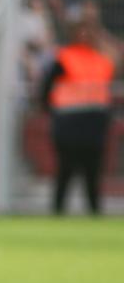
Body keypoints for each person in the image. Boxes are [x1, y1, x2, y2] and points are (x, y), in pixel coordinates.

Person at [40, 13, 116, 215]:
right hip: (68, 125)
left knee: (93, 174)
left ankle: (94, 214)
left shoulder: (102, 59)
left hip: (94, 125)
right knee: (66, 172)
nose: (86, 34)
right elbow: (45, 89)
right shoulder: (64, 57)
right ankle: (58, 213)